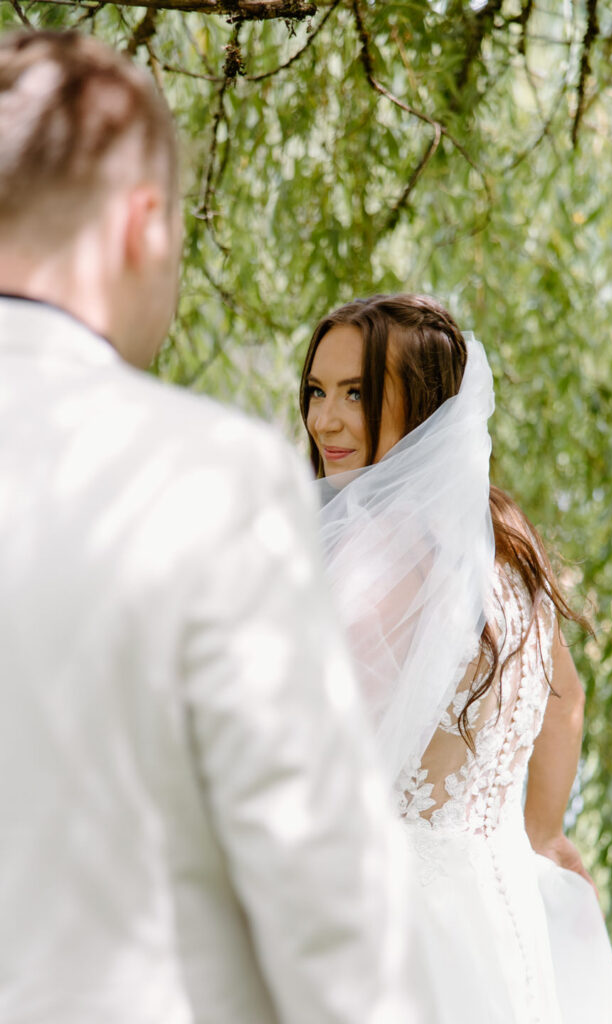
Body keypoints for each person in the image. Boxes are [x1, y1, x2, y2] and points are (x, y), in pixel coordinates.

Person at [0, 32, 449, 1024]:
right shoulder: (203, 480)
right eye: (316, 391)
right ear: (142, 224)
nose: (324, 417)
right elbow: (323, 895)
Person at [299, 293, 612, 1023]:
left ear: (421, 405)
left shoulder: (373, 554)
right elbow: (563, 698)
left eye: (356, 393)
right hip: (497, 902)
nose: (324, 419)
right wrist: (541, 831)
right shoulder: (501, 536)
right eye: (317, 391)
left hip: (395, 922)